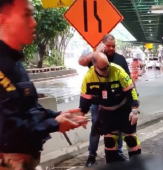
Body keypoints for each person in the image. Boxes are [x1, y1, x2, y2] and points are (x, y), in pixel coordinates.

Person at [0, 0, 88, 169]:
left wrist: (56, 115)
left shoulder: (14, 63)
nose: (34, 22)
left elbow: (28, 111)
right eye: (26, 15)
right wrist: (55, 124)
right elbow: (8, 131)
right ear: (4, 21)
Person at [79, 52, 141, 163]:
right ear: (95, 67)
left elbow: (131, 91)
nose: (107, 70)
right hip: (107, 112)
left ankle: (137, 164)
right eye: (103, 69)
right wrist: (81, 115)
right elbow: (85, 99)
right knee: (110, 141)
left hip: (124, 109)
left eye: (108, 66)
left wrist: (134, 110)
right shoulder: (89, 77)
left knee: (130, 139)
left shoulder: (117, 71)